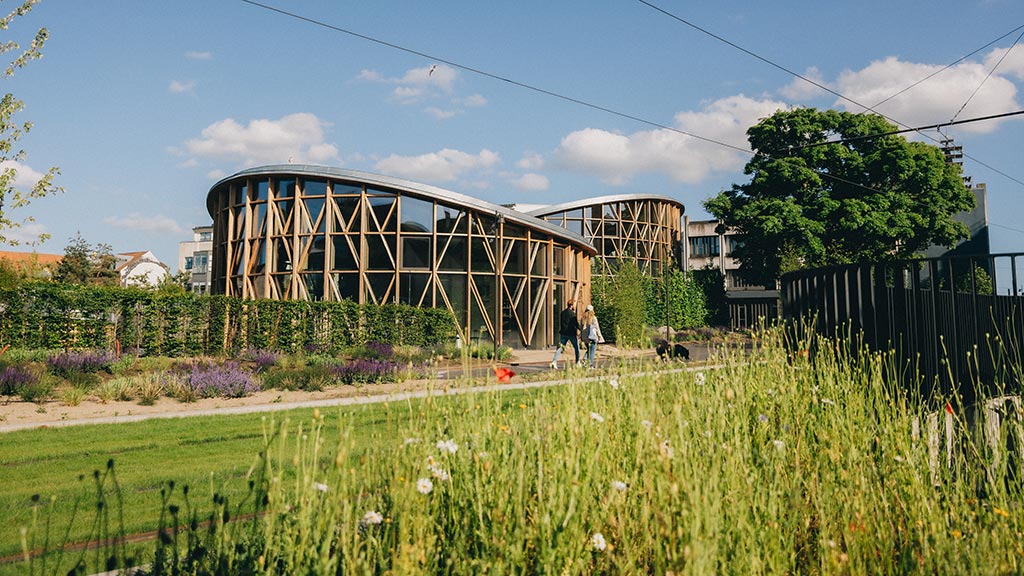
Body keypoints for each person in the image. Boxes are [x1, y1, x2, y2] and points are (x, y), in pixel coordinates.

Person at [550, 299, 580, 369]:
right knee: (577, 348)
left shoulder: (563, 313)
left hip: (563, 333)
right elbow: (576, 324)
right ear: (572, 305)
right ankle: (577, 362)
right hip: (571, 333)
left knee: (560, 348)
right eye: (574, 305)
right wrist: (581, 330)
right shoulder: (572, 314)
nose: (575, 306)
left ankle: (554, 361)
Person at [581, 304, 604, 368]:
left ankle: (585, 360)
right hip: (592, 336)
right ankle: (590, 364)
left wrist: (581, 335)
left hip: (585, 337)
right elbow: (597, 328)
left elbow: (581, 327)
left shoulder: (583, 318)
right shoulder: (593, 318)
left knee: (588, 349)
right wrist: (599, 336)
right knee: (592, 351)